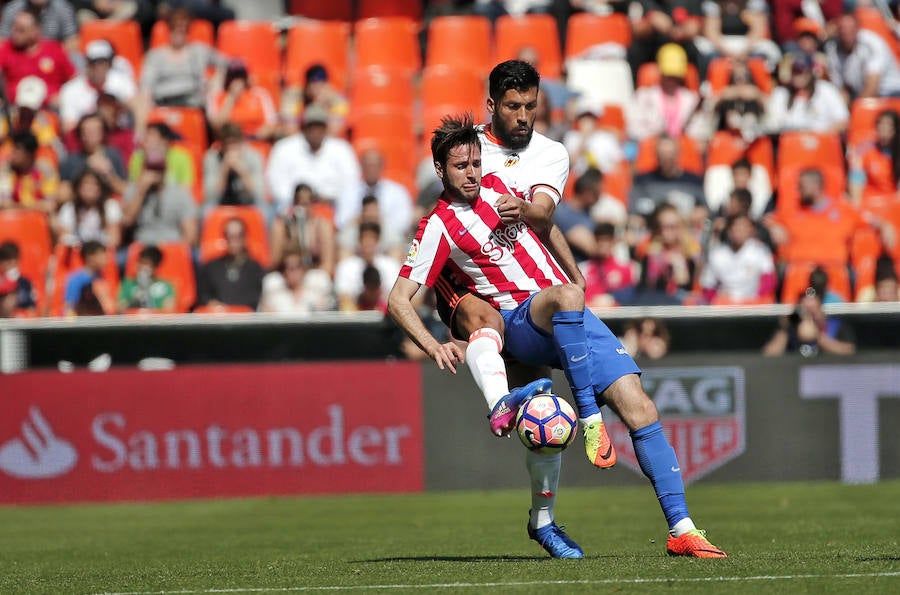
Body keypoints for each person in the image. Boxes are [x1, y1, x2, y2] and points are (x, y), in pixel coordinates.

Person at [389, 112, 727, 559]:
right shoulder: (438, 225)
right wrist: (432, 345)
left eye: (474, 163)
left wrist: (576, 273)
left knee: (639, 407)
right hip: (522, 321)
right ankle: (590, 419)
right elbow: (398, 299)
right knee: (565, 304)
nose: (471, 174)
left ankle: (681, 530)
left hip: (568, 310)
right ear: (440, 170)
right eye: (460, 167)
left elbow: (546, 225)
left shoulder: (498, 189)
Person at [266, 104, 360, 213]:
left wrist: (326, 197)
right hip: (293, 208)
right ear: (303, 128)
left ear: (326, 128)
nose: (315, 132)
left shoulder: (342, 149)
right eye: (311, 127)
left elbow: (351, 184)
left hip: (332, 207)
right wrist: (303, 198)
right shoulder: (284, 148)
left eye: (319, 127)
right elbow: (276, 184)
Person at [138, 7, 223, 113]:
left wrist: (218, 77)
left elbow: (229, 64)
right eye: (175, 27)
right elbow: (146, 86)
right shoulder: (155, 56)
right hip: (163, 105)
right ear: (169, 29)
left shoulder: (199, 51)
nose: (180, 30)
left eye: (184, 27)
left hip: (194, 105)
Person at [335, 147, 413, 260]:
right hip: (358, 234)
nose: (371, 169)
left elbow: (403, 223)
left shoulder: (397, 191)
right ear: (361, 167)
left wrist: (378, 220)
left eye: (375, 165)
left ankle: (394, 275)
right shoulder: (349, 191)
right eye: (368, 165)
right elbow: (341, 221)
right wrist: (364, 218)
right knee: (344, 243)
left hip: (385, 234)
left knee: (396, 245)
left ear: (382, 167)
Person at [121, 145, 198, 247]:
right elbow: (127, 220)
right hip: (142, 246)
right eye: (150, 169)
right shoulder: (133, 190)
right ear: (143, 169)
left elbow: (190, 234)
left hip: (172, 245)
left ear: (165, 171)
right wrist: (141, 192)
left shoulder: (180, 194)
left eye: (158, 170)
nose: (155, 175)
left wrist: (177, 253)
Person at [0, 8, 75, 109]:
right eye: (14, 28)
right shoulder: (6, 50)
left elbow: (73, 80)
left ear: (36, 31)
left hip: (49, 111)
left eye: (21, 30)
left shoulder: (54, 50)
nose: (15, 33)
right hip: (14, 110)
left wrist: (64, 97)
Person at [59, 39, 137, 134]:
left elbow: (138, 105)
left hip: (118, 136)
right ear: (86, 64)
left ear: (109, 64)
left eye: (102, 63)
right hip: (86, 140)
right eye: (93, 63)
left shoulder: (121, 82)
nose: (98, 68)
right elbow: (68, 127)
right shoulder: (71, 89)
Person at [627, 43, 701, 141]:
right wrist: (656, 136)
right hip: (652, 146)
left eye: (675, 76)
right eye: (668, 75)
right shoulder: (644, 96)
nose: (671, 80)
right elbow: (634, 128)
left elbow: (698, 131)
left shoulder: (692, 99)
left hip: (683, 148)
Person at [700, 212, 775, 304]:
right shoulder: (717, 254)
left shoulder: (759, 250)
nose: (739, 231)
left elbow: (769, 280)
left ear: (750, 230)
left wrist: (757, 298)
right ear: (729, 230)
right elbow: (708, 286)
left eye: (743, 227)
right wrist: (716, 298)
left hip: (752, 303)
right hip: (725, 305)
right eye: (736, 227)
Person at [765, 52, 848, 135]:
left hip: (820, 141)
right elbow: (773, 125)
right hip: (790, 141)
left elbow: (843, 122)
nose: (798, 75)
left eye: (802, 70)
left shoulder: (825, 90)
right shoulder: (781, 93)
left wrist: (818, 137)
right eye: (795, 70)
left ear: (810, 71)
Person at [825, 11, 900, 100]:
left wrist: (855, 111)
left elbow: (872, 88)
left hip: (890, 93)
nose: (846, 32)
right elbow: (840, 88)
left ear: (857, 28)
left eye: (850, 28)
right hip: (858, 94)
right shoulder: (833, 49)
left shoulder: (872, 44)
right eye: (842, 29)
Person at [762, 286, 855, 357]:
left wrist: (818, 337)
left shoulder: (834, 325)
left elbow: (849, 352)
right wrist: (784, 329)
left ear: (820, 310)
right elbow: (769, 355)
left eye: (812, 311)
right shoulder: (790, 328)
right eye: (805, 312)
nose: (809, 317)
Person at [197, 217, 266, 310]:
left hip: (246, 319)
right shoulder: (211, 268)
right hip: (218, 319)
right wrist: (212, 303)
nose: (234, 241)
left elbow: (257, 297)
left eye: (239, 236)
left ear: (245, 237)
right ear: (225, 238)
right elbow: (204, 295)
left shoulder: (255, 269)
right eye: (230, 236)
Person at [270, 182, 336, 277]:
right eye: (299, 203)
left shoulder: (322, 226)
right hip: (288, 276)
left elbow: (328, 265)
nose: (303, 208)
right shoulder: (282, 226)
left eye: (306, 203)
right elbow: (274, 262)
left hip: (314, 275)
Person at [58, 113, 128, 202]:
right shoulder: (71, 160)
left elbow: (125, 191)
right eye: (86, 131)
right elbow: (61, 194)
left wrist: (109, 174)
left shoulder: (113, 155)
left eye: (95, 130)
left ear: (102, 132)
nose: (90, 134)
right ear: (81, 134)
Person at [334, 221, 400, 312]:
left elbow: (397, 297)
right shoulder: (345, 266)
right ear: (359, 241)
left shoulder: (391, 265)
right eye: (364, 239)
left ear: (378, 241)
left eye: (372, 238)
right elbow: (342, 297)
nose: (368, 243)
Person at [207, 59, 278, 141]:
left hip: (255, 141)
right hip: (229, 144)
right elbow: (217, 126)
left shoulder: (260, 95)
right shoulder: (217, 97)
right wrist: (231, 98)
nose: (237, 81)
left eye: (241, 77)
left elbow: (271, 124)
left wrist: (254, 136)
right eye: (233, 77)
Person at [202, 122, 266, 213]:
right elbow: (210, 196)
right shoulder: (212, 158)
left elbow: (259, 194)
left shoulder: (254, 157)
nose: (231, 148)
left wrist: (243, 172)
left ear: (241, 142)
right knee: (206, 211)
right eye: (227, 144)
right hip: (220, 202)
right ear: (221, 145)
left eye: (234, 143)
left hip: (247, 202)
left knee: (263, 210)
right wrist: (224, 170)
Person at [55, 168, 123, 249]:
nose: (89, 188)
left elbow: (114, 240)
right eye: (85, 184)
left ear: (100, 188)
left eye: (94, 184)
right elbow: (63, 239)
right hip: (76, 253)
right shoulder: (69, 208)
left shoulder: (111, 206)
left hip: (103, 253)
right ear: (78, 188)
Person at [259, 245, 334, 314]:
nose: (291, 272)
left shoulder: (316, 291)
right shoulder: (274, 294)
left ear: (303, 269)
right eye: (286, 267)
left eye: (296, 267)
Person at [0, 130, 58, 213]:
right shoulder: (6, 170)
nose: (13, 154)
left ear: (29, 154)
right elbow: (4, 204)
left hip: (40, 220)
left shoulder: (45, 169)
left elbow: (50, 205)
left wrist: (18, 206)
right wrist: (35, 206)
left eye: (17, 149)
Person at [583, 222, 636, 308]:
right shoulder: (583, 269)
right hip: (590, 316)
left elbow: (630, 300)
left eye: (606, 240)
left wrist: (611, 302)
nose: (602, 244)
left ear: (614, 241)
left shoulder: (626, 268)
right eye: (599, 240)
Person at [62, 240, 115, 316]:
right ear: (89, 256)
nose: (105, 257)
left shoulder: (102, 277)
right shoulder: (76, 280)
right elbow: (69, 308)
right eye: (101, 254)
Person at [0, 0, 78, 51]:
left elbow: (72, 41)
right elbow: (2, 41)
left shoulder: (63, 8)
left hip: (52, 59)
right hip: (19, 55)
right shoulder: (13, 9)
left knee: (76, 58)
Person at [118, 245, 176, 313]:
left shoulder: (166, 286)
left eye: (146, 264)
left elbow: (169, 310)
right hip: (132, 321)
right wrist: (134, 301)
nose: (142, 267)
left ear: (155, 267)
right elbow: (119, 309)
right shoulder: (128, 283)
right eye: (140, 262)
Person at [0, 240, 37, 314]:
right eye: (7, 262)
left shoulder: (25, 283)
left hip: (21, 323)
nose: (10, 266)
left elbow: (33, 309)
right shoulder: (1, 281)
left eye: (13, 261)